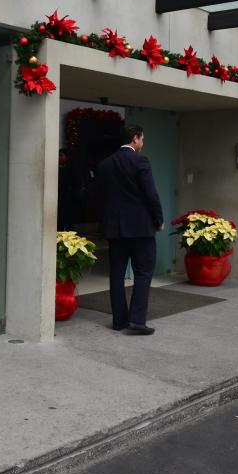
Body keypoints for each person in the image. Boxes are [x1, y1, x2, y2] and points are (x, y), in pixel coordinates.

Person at [95, 124, 163, 335]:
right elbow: (150, 194)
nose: (143, 143)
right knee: (143, 272)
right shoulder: (140, 160)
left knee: (116, 273)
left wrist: (104, 226)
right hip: (141, 227)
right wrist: (158, 219)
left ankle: (119, 321)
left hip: (115, 229)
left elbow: (100, 199)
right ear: (135, 138)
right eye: (142, 139)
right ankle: (137, 321)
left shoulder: (104, 165)